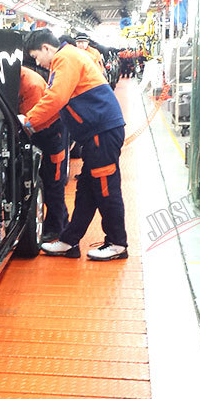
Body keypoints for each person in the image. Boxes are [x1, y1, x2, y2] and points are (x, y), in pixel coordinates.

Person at [20, 29, 128, 261]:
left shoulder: (65, 58)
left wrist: (28, 122)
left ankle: (118, 243)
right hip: (95, 133)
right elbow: (59, 105)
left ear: (46, 48)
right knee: (86, 191)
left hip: (101, 131)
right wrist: (34, 124)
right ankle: (69, 241)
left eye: (36, 56)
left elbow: (56, 98)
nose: (37, 63)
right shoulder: (67, 58)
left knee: (106, 188)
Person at [19, 66, 69, 242]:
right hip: (45, 135)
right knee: (50, 184)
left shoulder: (31, 85)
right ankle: (61, 223)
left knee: (53, 184)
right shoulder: (20, 79)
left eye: (37, 55)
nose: (38, 61)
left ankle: (56, 229)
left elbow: (31, 123)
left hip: (50, 137)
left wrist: (22, 122)